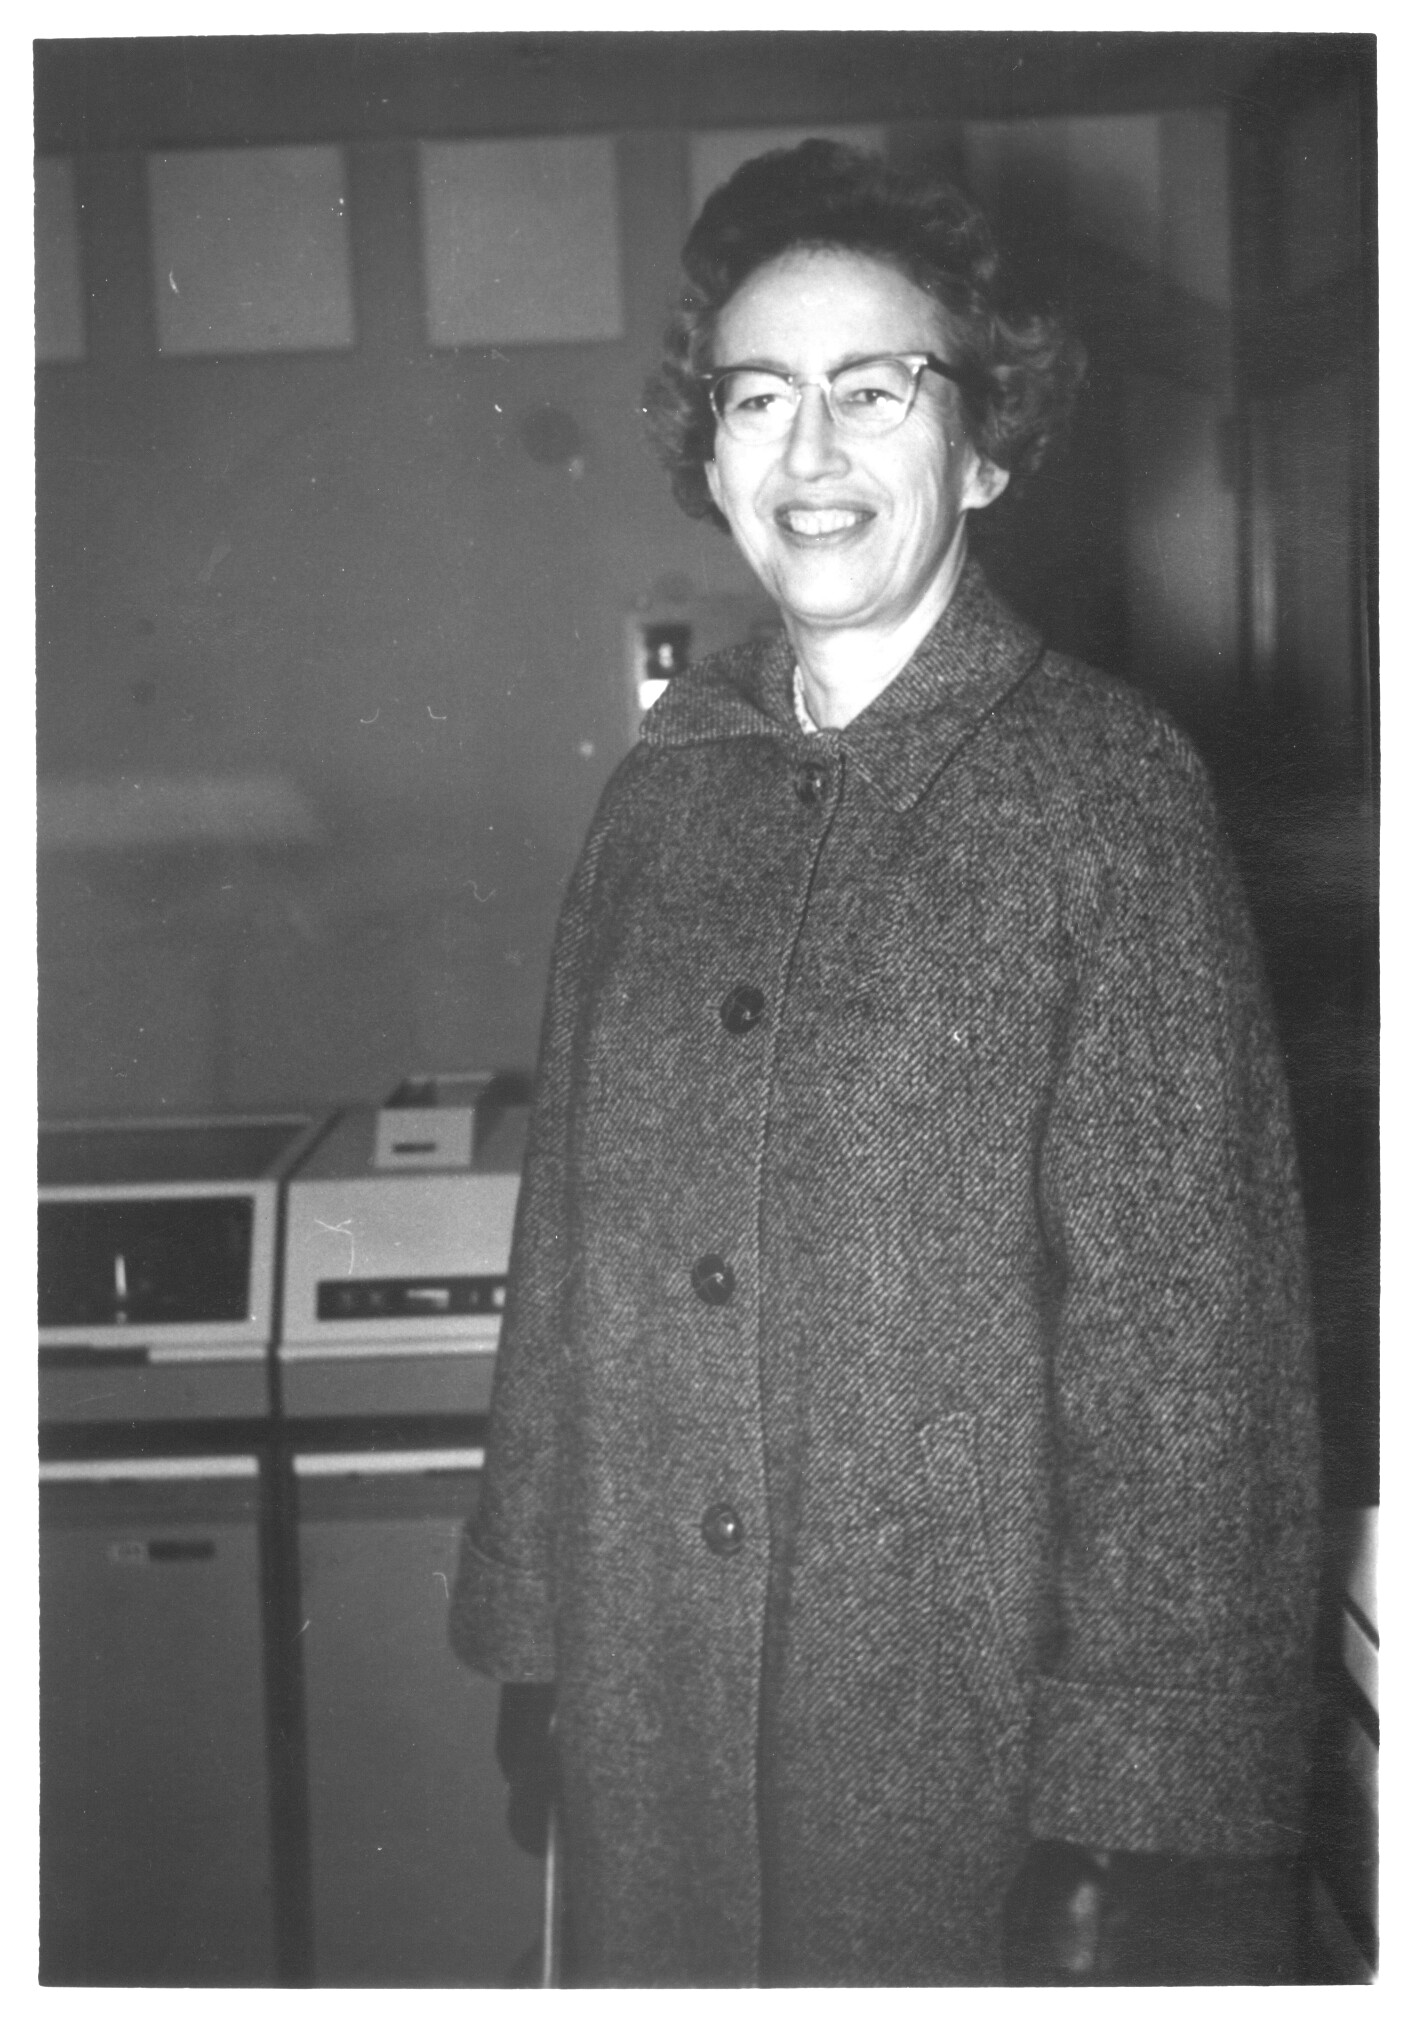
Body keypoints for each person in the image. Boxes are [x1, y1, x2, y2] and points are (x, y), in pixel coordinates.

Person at [450, 139, 1319, 1987]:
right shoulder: (663, 796)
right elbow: (565, 1255)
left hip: (971, 1761)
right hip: (655, 1709)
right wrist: (535, 1631)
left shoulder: (1107, 796)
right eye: (760, 396)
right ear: (711, 455)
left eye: (875, 389)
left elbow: (1192, 1358)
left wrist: (1137, 1806)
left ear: (984, 446)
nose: (811, 449)